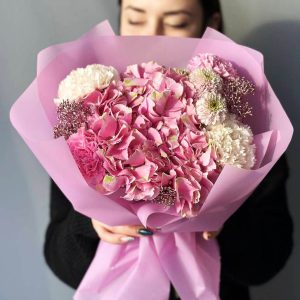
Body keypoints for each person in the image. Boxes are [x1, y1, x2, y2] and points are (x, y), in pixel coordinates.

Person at [43, 1, 294, 299]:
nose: (152, 34)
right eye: (136, 19)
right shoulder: (88, 111)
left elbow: (269, 259)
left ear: (209, 22)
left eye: (175, 22)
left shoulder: (244, 116)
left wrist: (218, 219)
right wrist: (92, 225)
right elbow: (56, 254)